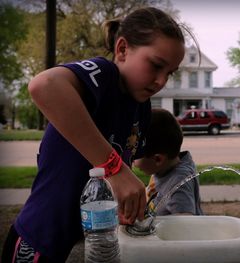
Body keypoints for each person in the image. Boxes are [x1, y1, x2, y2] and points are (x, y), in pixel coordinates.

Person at [2, 7, 185, 263]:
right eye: (156, 65)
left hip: (89, 239)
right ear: (122, 49)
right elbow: (44, 86)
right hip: (41, 240)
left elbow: (122, 172)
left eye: (170, 73)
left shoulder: (141, 107)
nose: (161, 81)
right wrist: (114, 168)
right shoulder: (103, 75)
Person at [134, 108, 203, 216]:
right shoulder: (167, 165)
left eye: (135, 156)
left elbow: (186, 222)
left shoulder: (178, 182)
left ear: (158, 159)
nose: (131, 160)